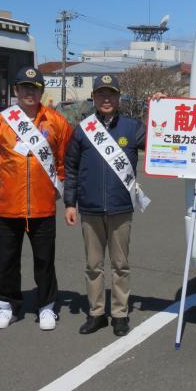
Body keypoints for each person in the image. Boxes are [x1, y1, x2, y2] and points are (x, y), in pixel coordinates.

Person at [0, 66, 73, 331]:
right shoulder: (0, 122)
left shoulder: (56, 122)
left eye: (34, 88)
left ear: (41, 91)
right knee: (6, 259)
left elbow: (63, 161)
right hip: (8, 205)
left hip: (43, 206)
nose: (29, 92)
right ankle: (6, 305)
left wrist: (55, 187)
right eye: (24, 87)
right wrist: (7, 180)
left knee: (44, 259)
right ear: (16, 91)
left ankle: (46, 307)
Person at [64, 75, 152, 336]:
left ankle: (120, 314)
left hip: (120, 207)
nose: (106, 99)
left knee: (120, 265)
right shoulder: (83, 129)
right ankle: (96, 313)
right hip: (90, 208)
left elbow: (161, 137)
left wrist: (160, 106)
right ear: (93, 97)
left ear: (118, 97)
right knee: (93, 265)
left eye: (111, 94)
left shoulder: (132, 127)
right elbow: (71, 168)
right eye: (101, 94)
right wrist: (70, 203)